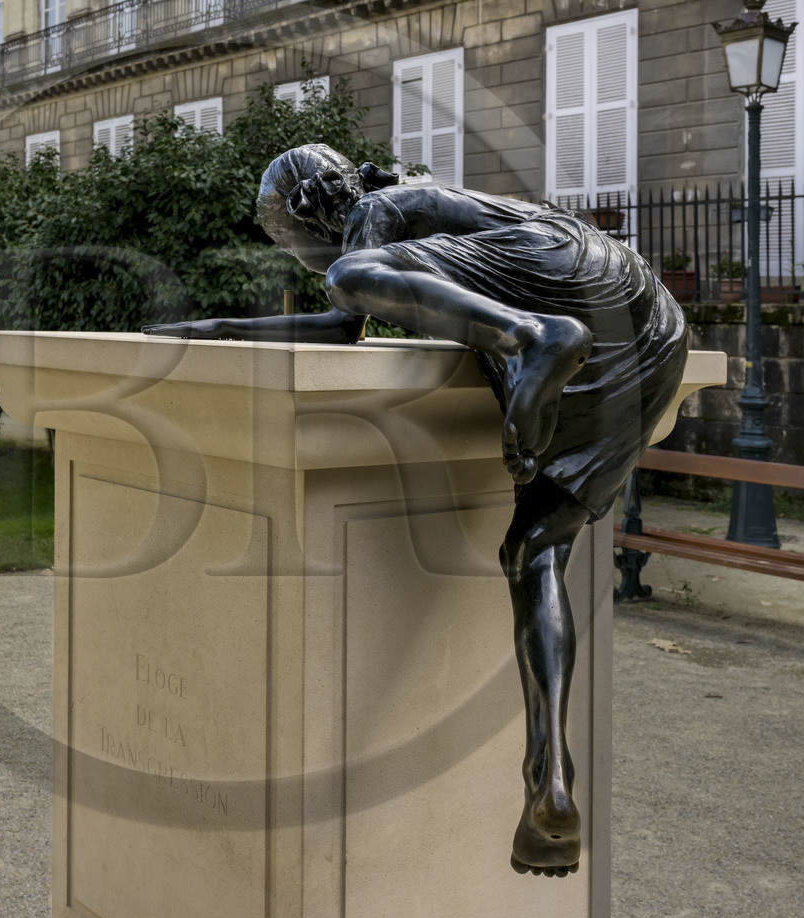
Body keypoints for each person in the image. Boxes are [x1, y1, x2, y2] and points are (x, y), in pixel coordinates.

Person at [142, 144, 688, 876]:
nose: (294, 253)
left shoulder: (376, 209)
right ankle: (548, 777)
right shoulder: (410, 220)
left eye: (286, 237)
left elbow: (346, 302)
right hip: (645, 328)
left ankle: (530, 338)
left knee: (349, 276)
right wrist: (217, 330)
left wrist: (213, 330)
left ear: (307, 212)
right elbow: (348, 322)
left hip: (566, 288)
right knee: (533, 549)